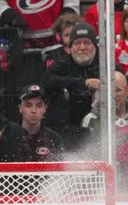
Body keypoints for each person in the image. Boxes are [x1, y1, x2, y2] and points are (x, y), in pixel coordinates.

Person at [41, 21, 100, 150]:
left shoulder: (104, 63)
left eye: (87, 43)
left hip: (99, 127)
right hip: (67, 129)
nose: (82, 47)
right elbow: (46, 81)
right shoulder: (63, 63)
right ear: (71, 47)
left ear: (95, 46)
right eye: (77, 43)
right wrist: (82, 83)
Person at [82, 71, 128, 148]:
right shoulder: (91, 120)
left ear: (127, 91)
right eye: (108, 91)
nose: (113, 95)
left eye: (118, 90)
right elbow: (88, 150)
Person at [14, 84, 64, 162]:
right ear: (20, 108)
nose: (34, 110)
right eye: (28, 105)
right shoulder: (9, 137)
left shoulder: (54, 139)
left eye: (39, 106)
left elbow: (60, 167)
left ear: (45, 108)